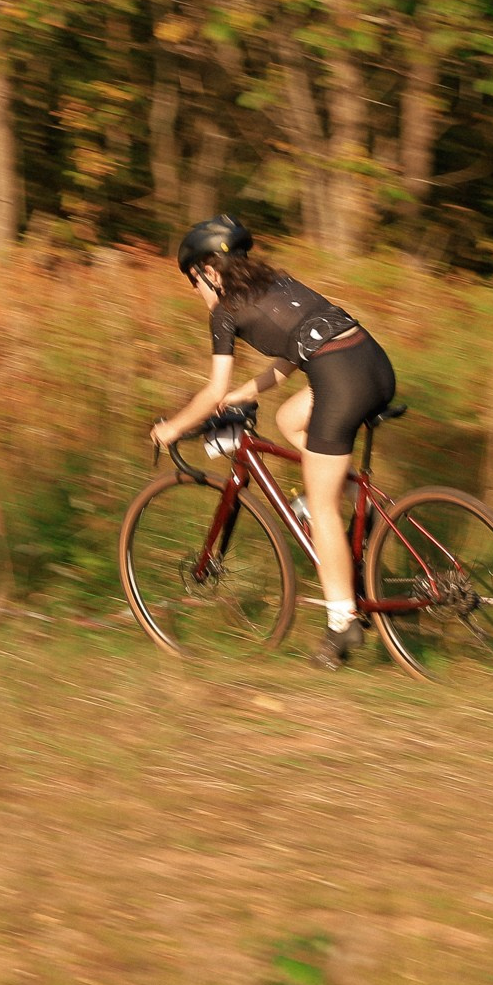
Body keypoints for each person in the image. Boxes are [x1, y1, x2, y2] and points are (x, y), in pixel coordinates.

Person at [148, 217, 399, 668]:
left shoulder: (224, 310)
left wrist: (172, 428)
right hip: (373, 364)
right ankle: (360, 498)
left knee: (319, 508)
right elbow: (299, 345)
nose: (197, 292)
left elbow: (210, 390)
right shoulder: (277, 281)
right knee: (289, 418)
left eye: (193, 281)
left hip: (341, 382)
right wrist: (248, 391)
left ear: (208, 270)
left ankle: (342, 626)